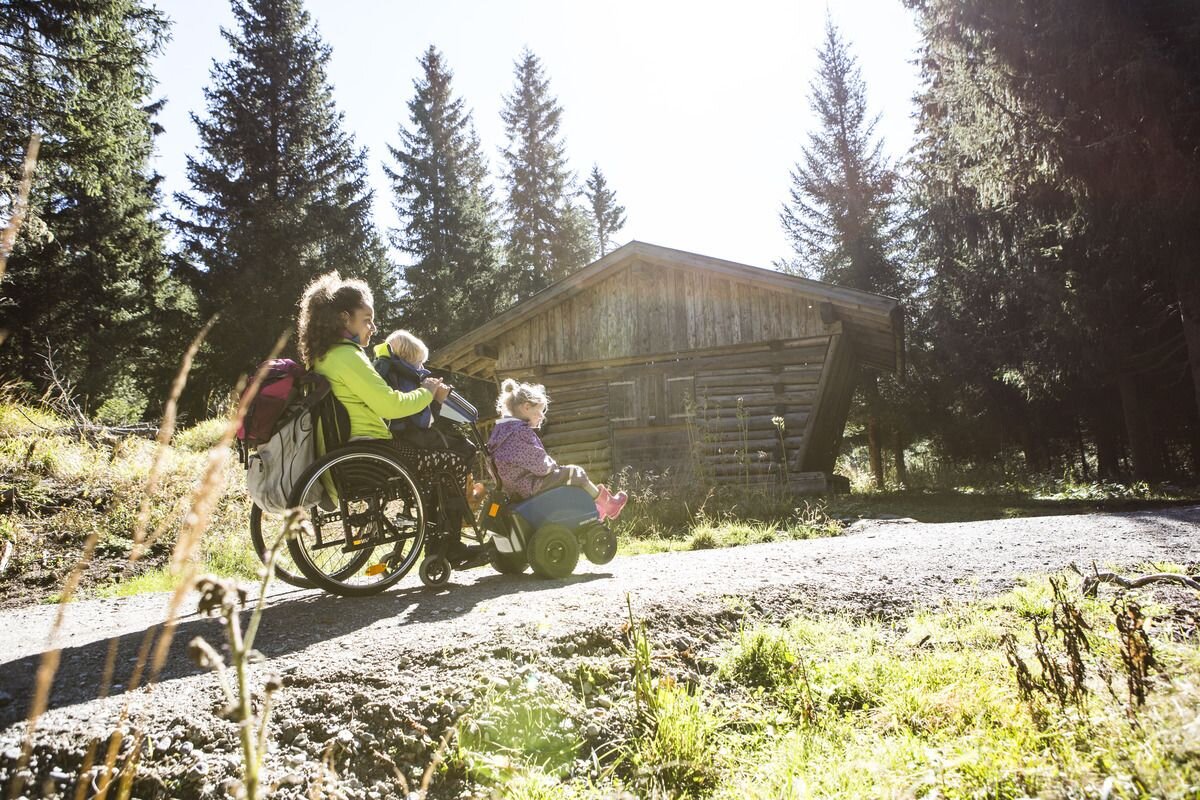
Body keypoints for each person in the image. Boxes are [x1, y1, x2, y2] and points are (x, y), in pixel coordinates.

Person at [296, 272, 481, 563]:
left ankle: (438, 544)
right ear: (345, 319)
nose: (373, 327)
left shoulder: (322, 357)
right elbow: (390, 406)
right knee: (451, 460)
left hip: (346, 454)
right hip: (370, 455)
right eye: (367, 319)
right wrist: (427, 392)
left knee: (434, 457)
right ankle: (447, 548)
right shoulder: (348, 357)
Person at [488, 378, 628, 520]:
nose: (542, 416)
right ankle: (608, 505)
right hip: (528, 486)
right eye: (540, 411)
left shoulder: (501, 431)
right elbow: (542, 466)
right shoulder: (520, 433)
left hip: (513, 488)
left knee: (565, 476)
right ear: (527, 407)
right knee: (574, 473)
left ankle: (597, 507)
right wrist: (554, 468)